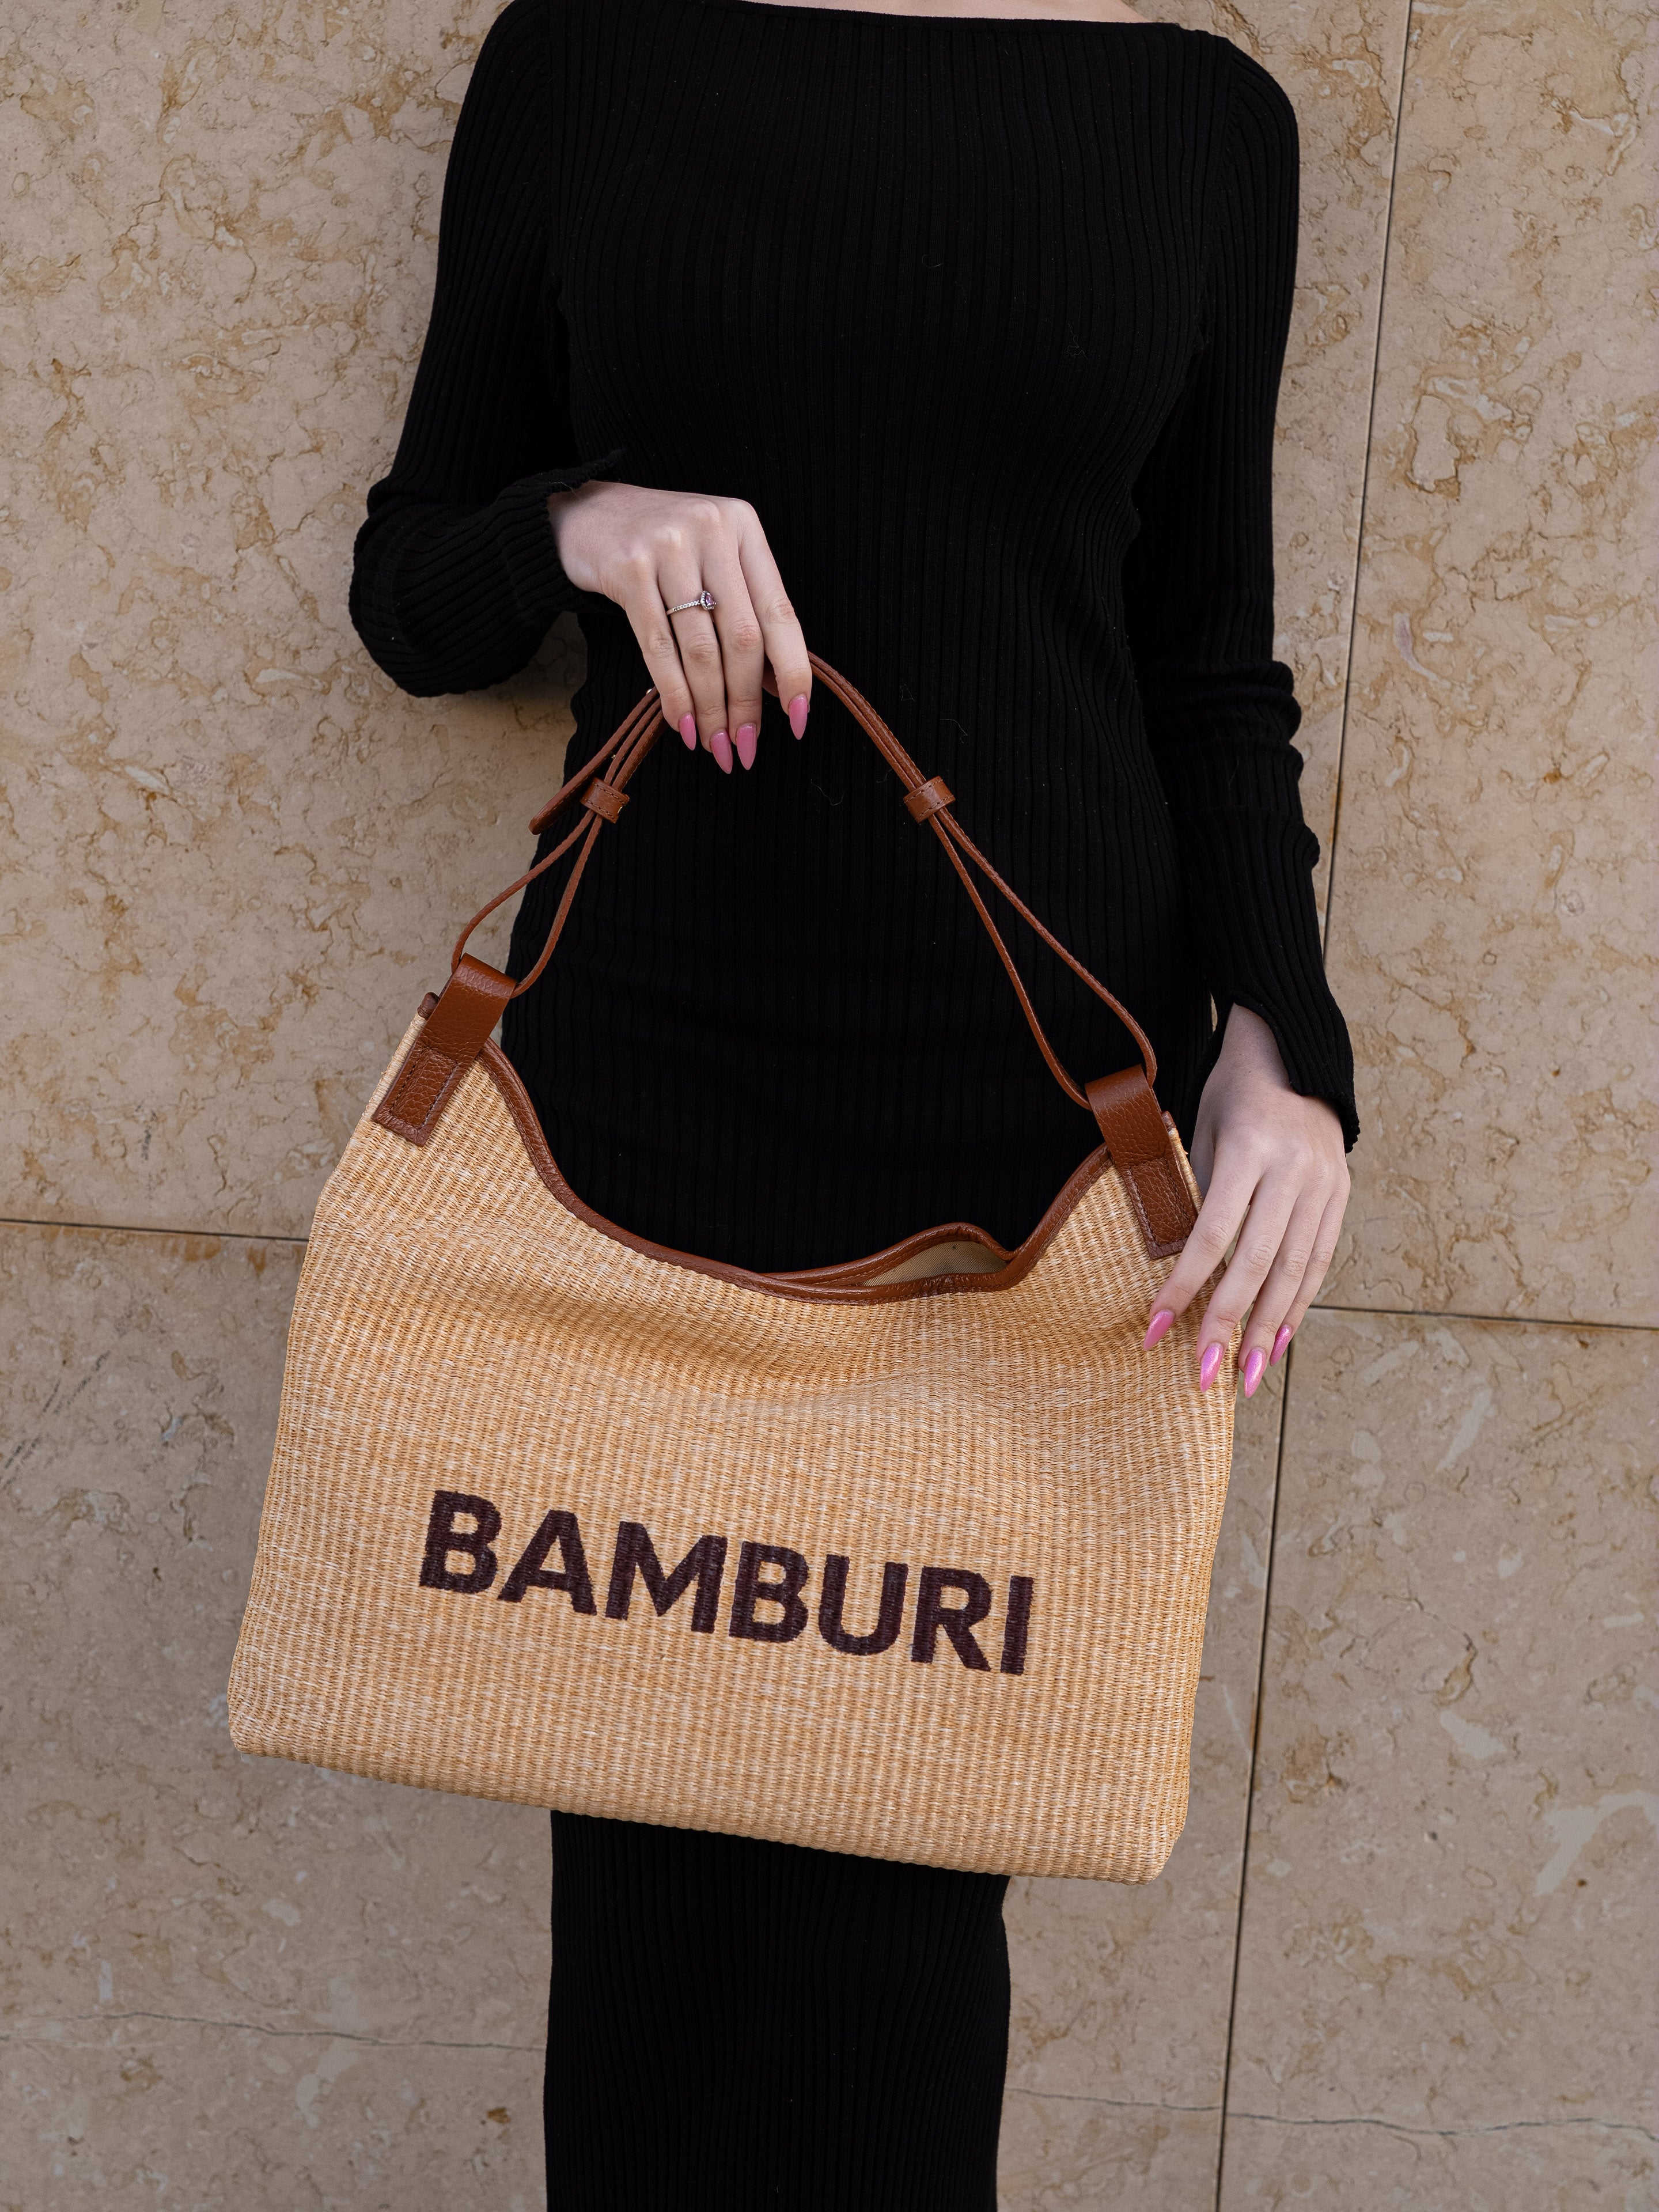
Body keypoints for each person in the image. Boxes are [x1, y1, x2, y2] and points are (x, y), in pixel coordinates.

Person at [349, 0, 1357, 2200]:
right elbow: (416, 591)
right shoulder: (591, 61)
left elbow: (1210, 668)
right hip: (648, 1100)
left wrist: (1287, 1049)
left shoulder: (1200, 122)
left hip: (1022, 1124)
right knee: (647, 1883)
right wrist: (579, 518)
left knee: (900, 1912)